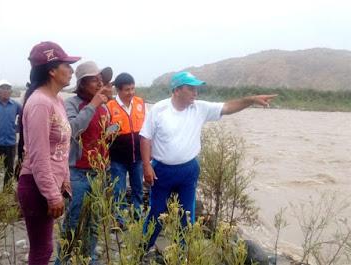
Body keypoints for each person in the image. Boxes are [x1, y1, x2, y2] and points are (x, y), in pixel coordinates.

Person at [140, 71, 277, 249]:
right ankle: (141, 250)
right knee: (157, 213)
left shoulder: (200, 108)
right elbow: (145, 138)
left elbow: (227, 107)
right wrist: (146, 167)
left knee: (187, 215)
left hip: (189, 170)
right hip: (162, 170)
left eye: (197, 89)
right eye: (191, 88)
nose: (195, 93)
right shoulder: (159, 109)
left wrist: (251, 100)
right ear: (177, 90)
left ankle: (182, 254)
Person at [17, 41, 80, 265]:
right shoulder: (40, 104)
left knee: (45, 248)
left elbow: (60, 150)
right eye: (66, 65)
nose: (71, 70)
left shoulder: (57, 101)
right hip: (37, 186)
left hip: (48, 185)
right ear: (52, 70)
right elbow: (39, 156)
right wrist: (52, 195)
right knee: (42, 250)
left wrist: (64, 183)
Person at [58, 61, 112, 264]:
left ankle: (89, 258)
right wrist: (93, 105)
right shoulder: (71, 104)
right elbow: (72, 131)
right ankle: (62, 259)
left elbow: (104, 137)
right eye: (94, 80)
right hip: (77, 173)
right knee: (73, 221)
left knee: (94, 221)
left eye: (101, 80)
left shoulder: (104, 107)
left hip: (99, 173)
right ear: (82, 83)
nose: (100, 84)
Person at [106, 73, 145, 218]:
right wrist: (114, 128)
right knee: (119, 190)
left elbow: (146, 128)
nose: (131, 92)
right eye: (127, 90)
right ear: (118, 90)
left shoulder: (140, 103)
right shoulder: (110, 107)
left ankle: (137, 215)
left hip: (138, 157)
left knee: (138, 188)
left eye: (133, 88)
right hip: (118, 159)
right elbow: (105, 132)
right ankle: (119, 219)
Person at [0, 79, 21, 187]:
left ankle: (7, 191)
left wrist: (17, 128)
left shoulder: (16, 105)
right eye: (3, 88)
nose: (6, 91)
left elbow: (25, 117)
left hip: (10, 143)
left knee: (9, 168)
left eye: (8, 88)